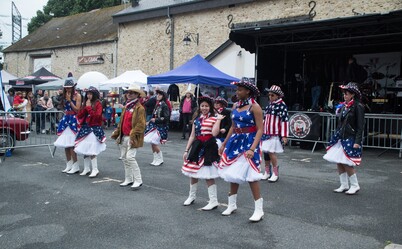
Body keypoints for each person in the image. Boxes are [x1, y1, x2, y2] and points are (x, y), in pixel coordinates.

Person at [218, 77, 264, 222]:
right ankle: (232, 205)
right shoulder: (235, 106)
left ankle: (259, 210)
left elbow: (260, 129)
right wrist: (224, 143)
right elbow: (233, 126)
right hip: (235, 142)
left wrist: (252, 148)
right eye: (237, 89)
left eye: (239, 90)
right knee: (233, 174)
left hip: (249, 142)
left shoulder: (255, 107)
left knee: (251, 176)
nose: (237, 92)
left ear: (248, 92)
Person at [182, 96, 224, 210]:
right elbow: (192, 135)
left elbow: (215, 133)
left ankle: (213, 201)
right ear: (199, 107)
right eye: (202, 106)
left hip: (209, 146)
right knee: (192, 172)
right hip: (197, 146)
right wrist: (186, 150)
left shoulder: (214, 118)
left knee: (208, 174)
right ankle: (191, 196)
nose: (204, 108)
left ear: (210, 107)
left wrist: (219, 120)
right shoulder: (196, 119)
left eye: (206, 106)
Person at [323, 82, 365, 195]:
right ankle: (344, 184)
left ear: (352, 95)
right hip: (341, 136)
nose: (344, 96)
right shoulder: (343, 106)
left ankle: (355, 185)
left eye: (347, 94)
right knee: (339, 161)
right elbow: (340, 122)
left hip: (351, 137)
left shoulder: (358, 106)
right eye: (344, 94)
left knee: (347, 162)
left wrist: (357, 141)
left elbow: (360, 126)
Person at [111, 84, 146, 190]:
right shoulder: (126, 106)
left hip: (132, 137)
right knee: (125, 159)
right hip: (124, 136)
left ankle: (138, 180)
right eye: (128, 92)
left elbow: (141, 125)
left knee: (130, 158)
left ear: (137, 94)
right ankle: (129, 179)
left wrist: (132, 135)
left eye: (132, 92)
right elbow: (122, 122)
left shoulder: (140, 108)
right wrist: (117, 132)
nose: (129, 94)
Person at [74, 87, 106, 178]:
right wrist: (84, 108)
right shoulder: (86, 103)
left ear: (94, 95)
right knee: (85, 149)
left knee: (91, 149)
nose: (88, 95)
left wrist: (88, 108)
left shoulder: (98, 104)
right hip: (85, 129)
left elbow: (97, 116)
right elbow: (79, 115)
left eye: (90, 94)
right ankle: (86, 168)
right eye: (87, 94)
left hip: (94, 129)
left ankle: (95, 169)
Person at [260, 85, 289, 182]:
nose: (270, 97)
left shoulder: (282, 105)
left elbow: (285, 120)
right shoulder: (269, 105)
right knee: (266, 153)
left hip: (274, 133)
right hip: (266, 132)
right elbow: (264, 119)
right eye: (269, 95)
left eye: (272, 95)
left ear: (278, 96)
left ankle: (275, 172)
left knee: (271, 152)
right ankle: (267, 172)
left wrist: (284, 135)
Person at [54, 79, 82, 174]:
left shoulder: (77, 96)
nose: (68, 89)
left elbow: (77, 109)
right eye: (66, 88)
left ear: (73, 87)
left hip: (73, 119)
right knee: (66, 145)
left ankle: (76, 165)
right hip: (66, 119)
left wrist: (70, 101)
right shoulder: (64, 95)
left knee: (71, 145)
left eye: (69, 87)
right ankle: (68, 164)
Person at [144, 89, 170, 166]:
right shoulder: (157, 104)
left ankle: (160, 159)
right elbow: (154, 115)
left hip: (161, 127)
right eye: (157, 94)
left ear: (163, 96)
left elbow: (166, 117)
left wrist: (156, 119)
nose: (158, 96)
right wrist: (150, 121)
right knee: (152, 142)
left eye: (160, 95)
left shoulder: (164, 105)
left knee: (154, 142)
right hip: (155, 126)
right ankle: (155, 158)